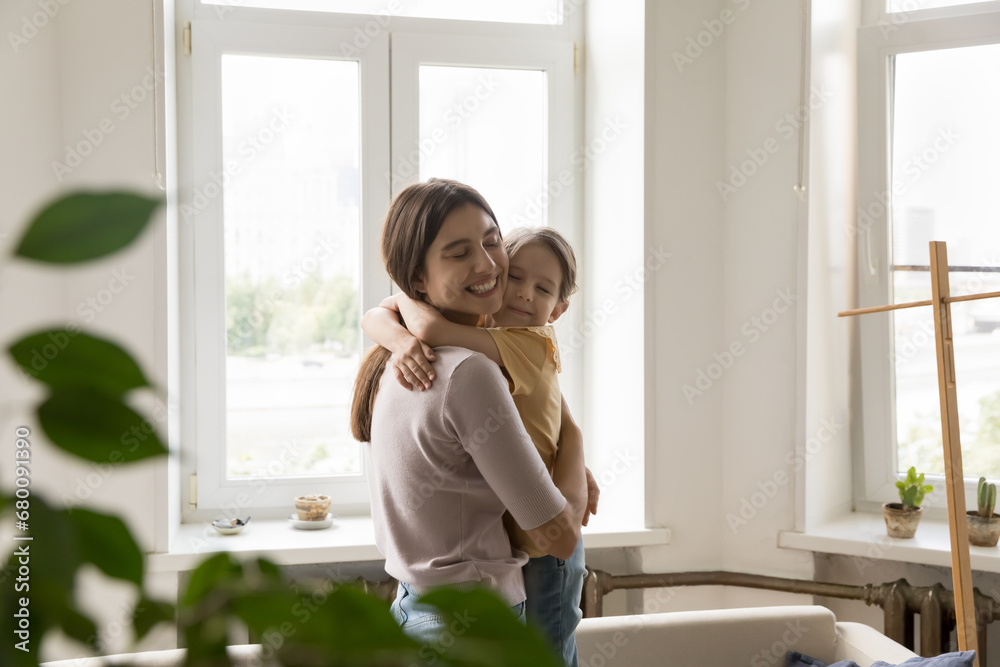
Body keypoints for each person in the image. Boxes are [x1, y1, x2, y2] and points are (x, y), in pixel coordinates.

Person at [350, 178, 588, 652]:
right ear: (418, 279)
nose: (487, 263)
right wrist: (575, 443)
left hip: (412, 607)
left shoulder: (393, 357)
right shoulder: (469, 372)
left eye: (492, 242)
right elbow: (560, 538)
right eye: (459, 253)